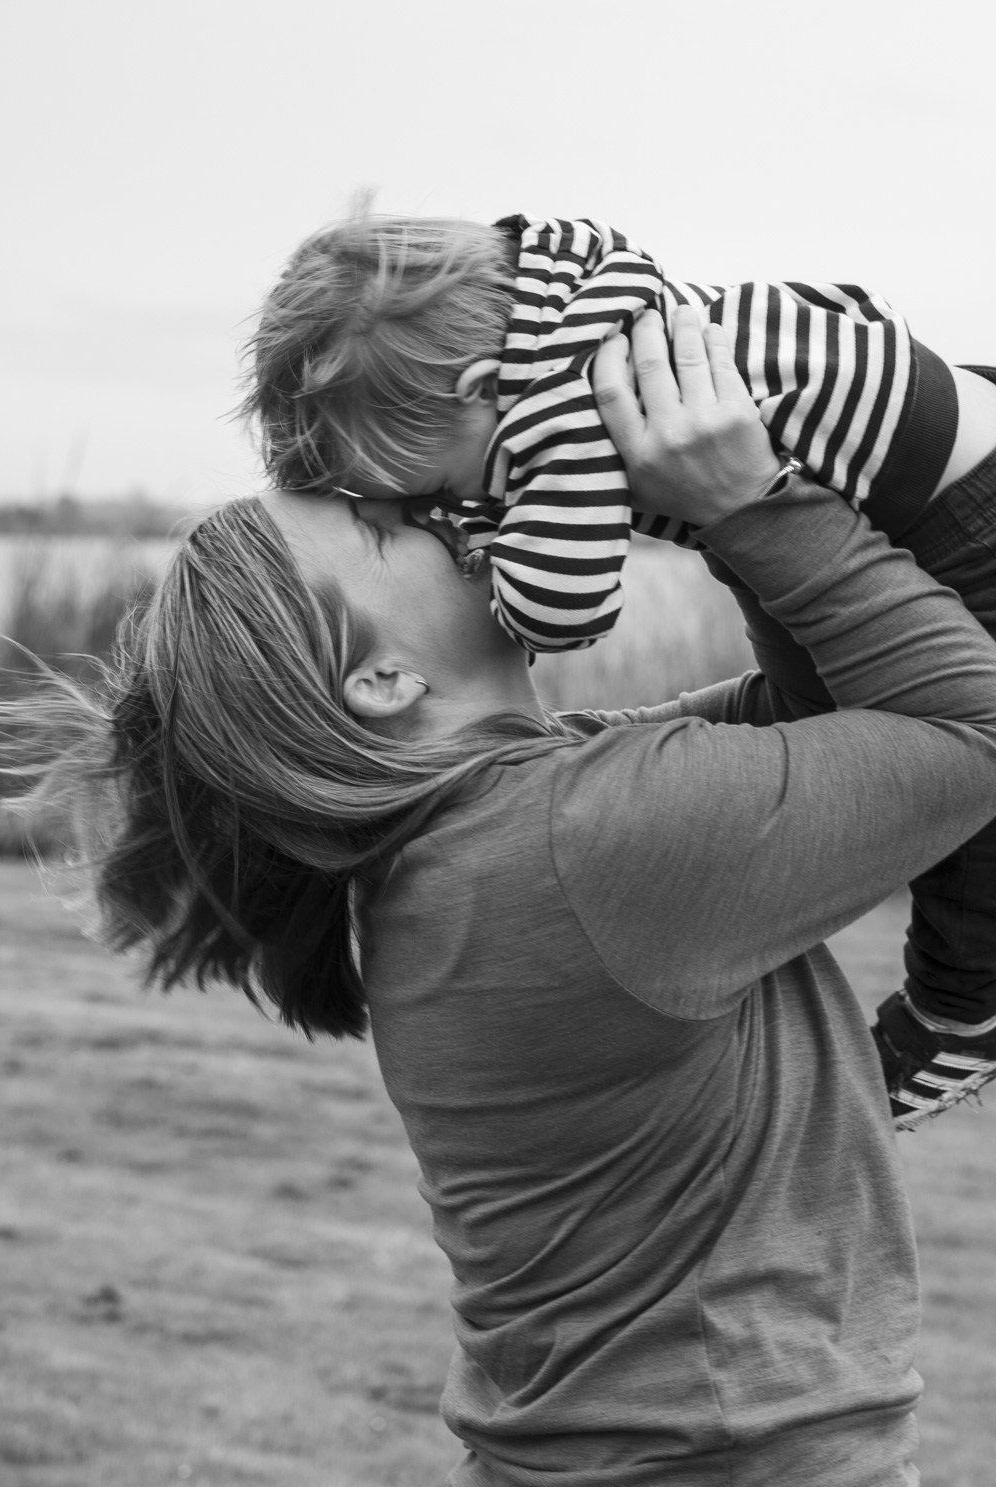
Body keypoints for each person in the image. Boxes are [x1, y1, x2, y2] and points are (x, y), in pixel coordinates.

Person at [6, 310, 996, 1487]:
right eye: (382, 527)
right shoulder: (576, 845)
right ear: (381, 680)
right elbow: (965, 731)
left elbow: (839, 707)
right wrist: (749, 503)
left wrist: (721, 492)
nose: (429, 509)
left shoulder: (496, 830)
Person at [240, 209, 996, 1124]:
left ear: (486, 390)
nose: (449, 517)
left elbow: (563, 601)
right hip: (942, 427)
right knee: (864, 723)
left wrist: (498, 554)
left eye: (433, 493)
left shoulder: (563, 412)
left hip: (957, 515)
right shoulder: (576, 297)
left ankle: (966, 1008)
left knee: (974, 820)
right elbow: (822, 719)